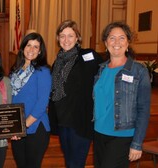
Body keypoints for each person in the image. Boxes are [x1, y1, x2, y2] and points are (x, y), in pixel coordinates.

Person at [93, 22, 151, 168]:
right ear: (106, 43)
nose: (116, 42)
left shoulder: (139, 71)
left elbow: (143, 110)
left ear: (128, 42)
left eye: (122, 38)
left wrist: (137, 143)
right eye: (112, 38)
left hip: (122, 135)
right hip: (99, 133)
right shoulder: (100, 70)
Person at [48, 20, 103, 168]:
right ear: (58, 39)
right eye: (62, 36)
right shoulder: (57, 62)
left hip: (81, 120)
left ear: (77, 37)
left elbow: (105, 73)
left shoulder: (88, 56)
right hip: (62, 120)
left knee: (76, 164)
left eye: (70, 36)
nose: (66, 40)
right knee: (69, 161)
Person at [10, 32, 51, 168]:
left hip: (36, 127)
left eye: (36, 47)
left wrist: (23, 126)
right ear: (23, 48)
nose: (31, 49)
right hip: (18, 128)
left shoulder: (43, 71)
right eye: (29, 45)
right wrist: (13, 127)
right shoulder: (15, 72)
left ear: (40, 51)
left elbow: (42, 103)